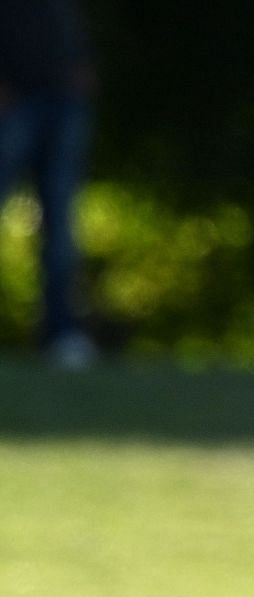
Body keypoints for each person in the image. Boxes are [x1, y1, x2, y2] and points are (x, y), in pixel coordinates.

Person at [0, 0, 96, 367]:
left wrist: (81, 64)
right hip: (14, 101)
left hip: (64, 98)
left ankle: (60, 333)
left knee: (61, 225)